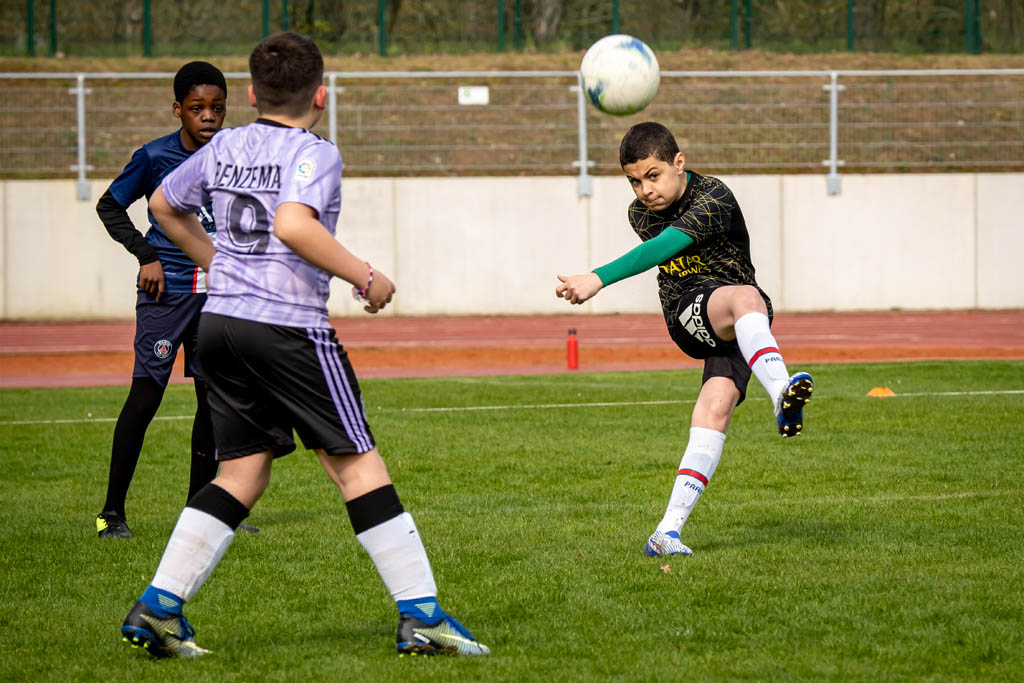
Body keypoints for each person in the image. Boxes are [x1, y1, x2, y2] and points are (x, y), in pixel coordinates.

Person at [118, 32, 489, 658]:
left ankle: (158, 609)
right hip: (287, 327)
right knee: (357, 464)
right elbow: (293, 224)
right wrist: (366, 276)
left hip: (221, 324)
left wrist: (220, 264)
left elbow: (161, 204)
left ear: (252, 94)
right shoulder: (315, 152)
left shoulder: (225, 145)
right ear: (321, 94)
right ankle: (422, 616)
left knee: (242, 471)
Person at [555, 121, 813, 557]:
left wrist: (597, 277)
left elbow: (666, 245)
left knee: (715, 409)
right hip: (688, 311)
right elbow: (660, 249)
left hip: (736, 324)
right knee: (746, 297)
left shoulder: (714, 196)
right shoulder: (640, 214)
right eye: (634, 181)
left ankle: (666, 533)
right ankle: (781, 394)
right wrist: (599, 278)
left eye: (653, 176)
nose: (644, 191)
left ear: (679, 162)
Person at [94, 61, 256, 539]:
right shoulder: (154, 156)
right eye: (197, 108)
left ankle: (200, 515)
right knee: (146, 397)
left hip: (216, 297)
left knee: (213, 401)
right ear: (177, 110)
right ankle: (110, 514)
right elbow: (110, 205)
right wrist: (146, 255)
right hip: (165, 295)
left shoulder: (234, 155)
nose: (208, 116)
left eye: (217, 108)